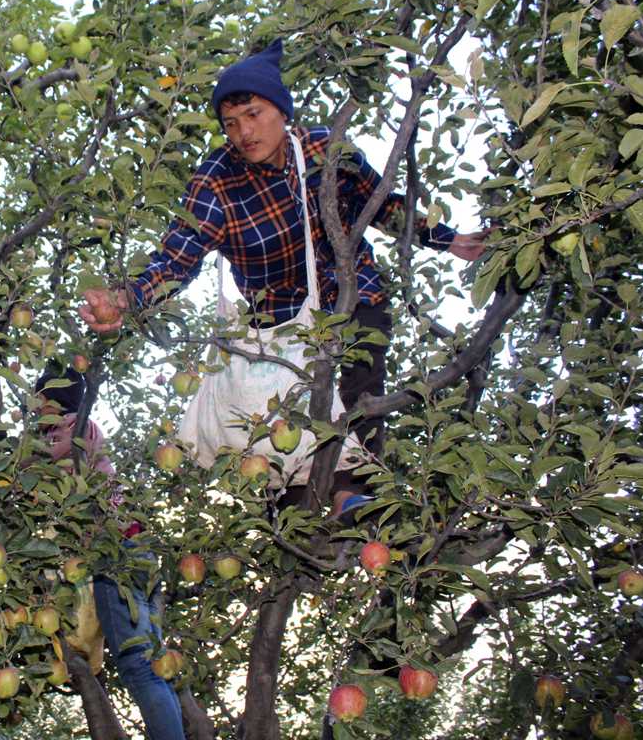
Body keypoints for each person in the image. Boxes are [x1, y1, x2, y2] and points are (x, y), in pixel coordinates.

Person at [78, 39, 486, 517]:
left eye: (253, 114)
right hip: (278, 325)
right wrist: (128, 298)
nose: (243, 132)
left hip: (350, 301)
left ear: (282, 111)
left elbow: (384, 206)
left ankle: (360, 503)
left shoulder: (323, 150)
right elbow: (177, 256)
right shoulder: (217, 180)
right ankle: (305, 517)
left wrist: (447, 239)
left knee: (356, 403)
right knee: (281, 430)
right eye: (231, 123)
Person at [34, 366, 185, 740]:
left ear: (51, 399)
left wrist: (10, 460)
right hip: (136, 554)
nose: (33, 411)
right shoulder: (70, 431)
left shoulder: (76, 426)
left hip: (116, 556)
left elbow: (44, 461)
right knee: (151, 663)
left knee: (139, 668)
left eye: (38, 402)